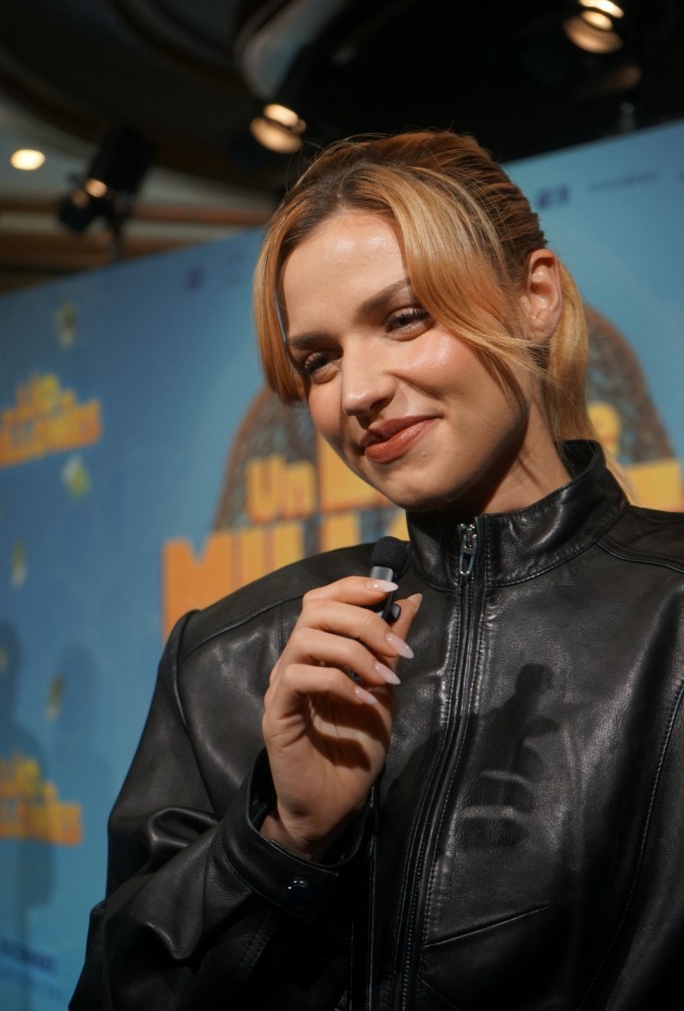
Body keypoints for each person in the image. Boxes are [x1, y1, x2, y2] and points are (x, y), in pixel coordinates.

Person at [70, 131, 684, 1010]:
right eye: (318, 359)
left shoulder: (671, 613)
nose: (357, 391)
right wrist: (281, 840)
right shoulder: (229, 659)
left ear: (535, 298)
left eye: (404, 318)